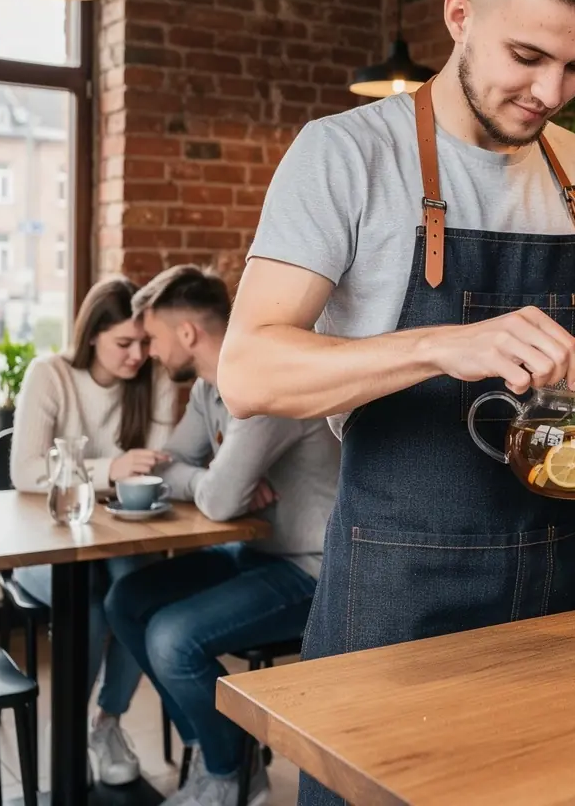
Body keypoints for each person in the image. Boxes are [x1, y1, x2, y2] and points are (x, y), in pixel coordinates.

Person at [217, 0, 575, 806]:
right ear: (459, 14)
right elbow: (249, 370)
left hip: (559, 576)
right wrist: (443, 345)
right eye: (527, 56)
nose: (550, 93)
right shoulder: (347, 154)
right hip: (396, 589)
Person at [103, 264, 340, 806]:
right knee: (127, 599)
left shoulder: (260, 383)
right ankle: (218, 747)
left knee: (171, 638)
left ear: (187, 334)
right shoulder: (210, 389)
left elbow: (216, 499)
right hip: (257, 550)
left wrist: (214, 483)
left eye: (154, 339)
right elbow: (175, 464)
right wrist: (211, 479)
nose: (151, 353)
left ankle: (228, 773)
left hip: (310, 568)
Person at [9, 276, 178, 786]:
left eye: (145, 343)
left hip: (122, 534)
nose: (137, 355)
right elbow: (25, 472)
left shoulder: (155, 379)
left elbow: (161, 466)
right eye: (124, 343)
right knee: (87, 596)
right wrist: (113, 468)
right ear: (91, 336)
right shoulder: (51, 374)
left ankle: (105, 722)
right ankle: (67, 730)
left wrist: (120, 470)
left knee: (138, 592)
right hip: (48, 543)